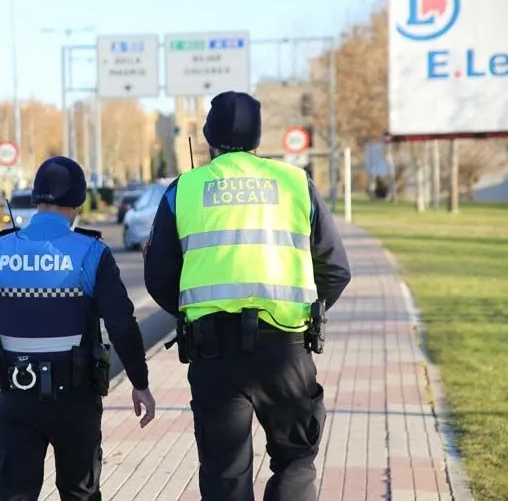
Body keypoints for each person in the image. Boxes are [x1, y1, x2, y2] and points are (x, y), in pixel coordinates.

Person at [144, 91, 352, 501]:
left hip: (213, 353)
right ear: (258, 139)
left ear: (208, 139)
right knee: (295, 460)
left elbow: (159, 277)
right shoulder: (295, 183)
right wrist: (305, 309)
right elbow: (336, 270)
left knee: (225, 472)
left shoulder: (183, 189)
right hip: (286, 349)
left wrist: (194, 311)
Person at [0, 156, 156, 501]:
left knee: (17, 495)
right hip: (76, 401)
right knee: (80, 493)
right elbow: (122, 324)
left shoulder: (0, 251)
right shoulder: (91, 252)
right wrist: (140, 383)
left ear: (36, 198)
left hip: (17, 396)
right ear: (79, 201)